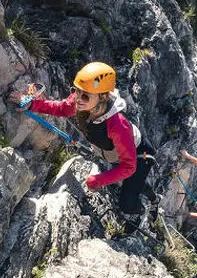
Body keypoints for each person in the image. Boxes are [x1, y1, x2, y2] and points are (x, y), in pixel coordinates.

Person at [9, 62, 156, 223]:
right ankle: (148, 193)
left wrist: (98, 180)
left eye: (85, 95)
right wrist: (31, 103)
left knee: (126, 204)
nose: (78, 99)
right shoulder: (83, 101)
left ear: (103, 96)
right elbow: (62, 109)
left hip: (139, 155)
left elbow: (129, 167)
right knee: (134, 182)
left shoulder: (117, 126)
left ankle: (143, 210)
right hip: (114, 154)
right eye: (76, 91)